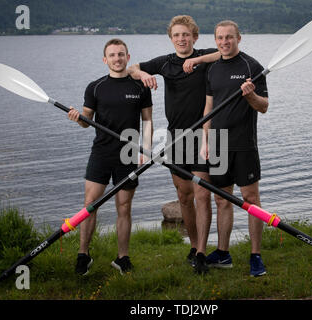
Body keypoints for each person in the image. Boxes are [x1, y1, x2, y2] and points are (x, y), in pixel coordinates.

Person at [128, 15, 220, 274]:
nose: (181, 39)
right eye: (177, 35)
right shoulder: (165, 63)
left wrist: (197, 60)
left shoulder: (206, 57)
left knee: (203, 195)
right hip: (175, 137)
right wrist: (144, 73)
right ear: (171, 38)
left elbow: (226, 54)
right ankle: (193, 246)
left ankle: (202, 252)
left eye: (186, 34)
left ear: (194, 37)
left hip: (204, 135)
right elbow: (131, 68)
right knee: (184, 196)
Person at [68, 38, 153, 276]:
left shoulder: (140, 87)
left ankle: (122, 258)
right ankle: (83, 255)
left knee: (124, 207)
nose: (117, 59)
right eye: (113, 55)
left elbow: (147, 121)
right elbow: (87, 121)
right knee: (89, 205)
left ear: (128, 57)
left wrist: (144, 149)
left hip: (128, 155)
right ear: (105, 60)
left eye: (121, 54)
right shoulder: (95, 87)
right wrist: (78, 118)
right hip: (101, 153)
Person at [200, 20, 269, 277]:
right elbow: (208, 109)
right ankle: (223, 253)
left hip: (243, 145)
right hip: (217, 144)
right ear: (215, 39)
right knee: (221, 200)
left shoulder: (252, 66)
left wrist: (250, 95)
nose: (224, 42)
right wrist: (205, 141)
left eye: (229, 37)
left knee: (251, 200)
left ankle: (255, 256)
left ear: (239, 38)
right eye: (220, 38)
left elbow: (263, 106)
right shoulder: (212, 70)